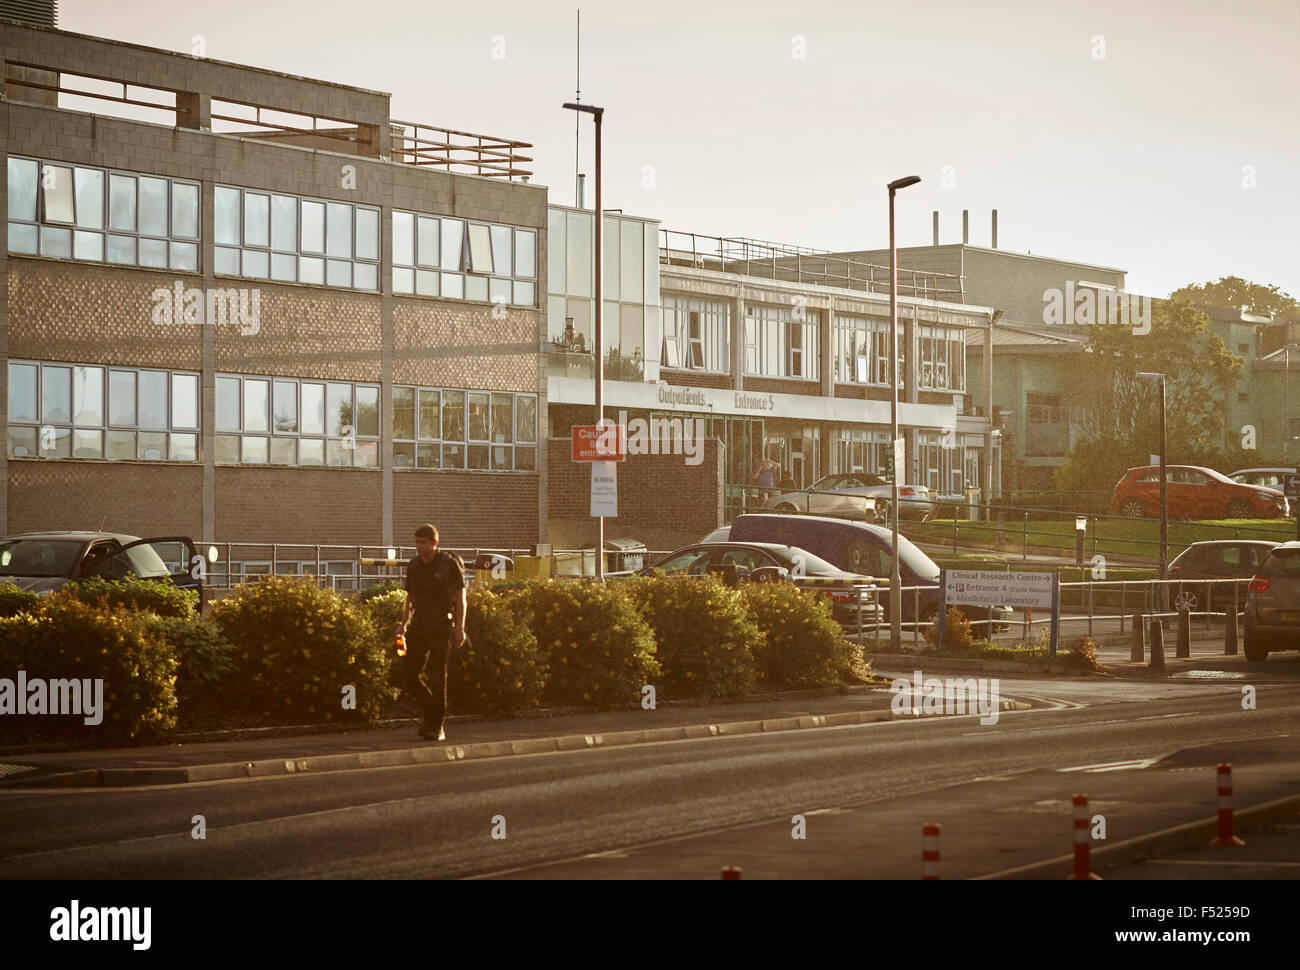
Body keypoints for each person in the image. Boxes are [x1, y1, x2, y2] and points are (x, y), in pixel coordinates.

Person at [398, 524, 466, 741]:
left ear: (434, 543)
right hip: (419, 624)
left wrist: (459, 629)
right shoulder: (414, 566)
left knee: (438, 677)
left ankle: (436, 727)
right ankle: (431, 712)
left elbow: (461, 598)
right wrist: (403, 624)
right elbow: (409, 598)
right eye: (417, 542)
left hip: (440, 625)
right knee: (408, 673)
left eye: (424, 542)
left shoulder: (448, 565)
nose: (419, 546)